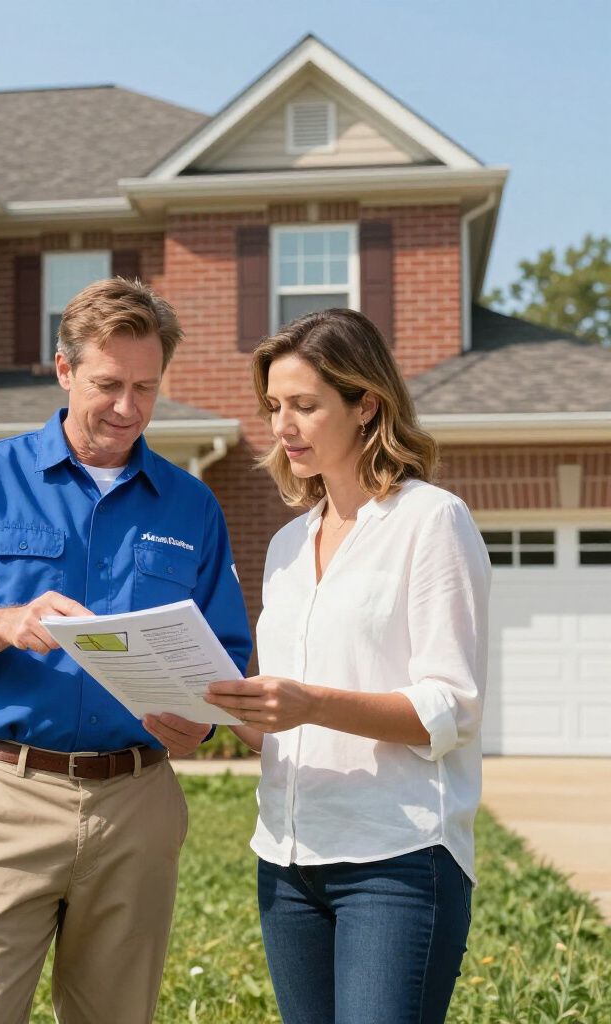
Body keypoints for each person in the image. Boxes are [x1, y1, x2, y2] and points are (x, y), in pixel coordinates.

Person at [0, 277, 252, 1024]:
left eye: (146, 387)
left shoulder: (191, 506)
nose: (128, 408)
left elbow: (225, 655)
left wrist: (204, 720)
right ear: (63, 371)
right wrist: (6, 621)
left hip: (138, 803)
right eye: (108, 384)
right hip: (6, 798)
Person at [204, 308, 490, 1024]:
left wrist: (311, 703)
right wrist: (209, 707)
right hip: (288, 860)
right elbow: (287, 729)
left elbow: (449, 709)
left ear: (366, 404)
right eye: (274, 407)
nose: (283, 426)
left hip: (396, 857)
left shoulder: (431, 521)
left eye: (305, 406)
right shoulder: (287, 548)